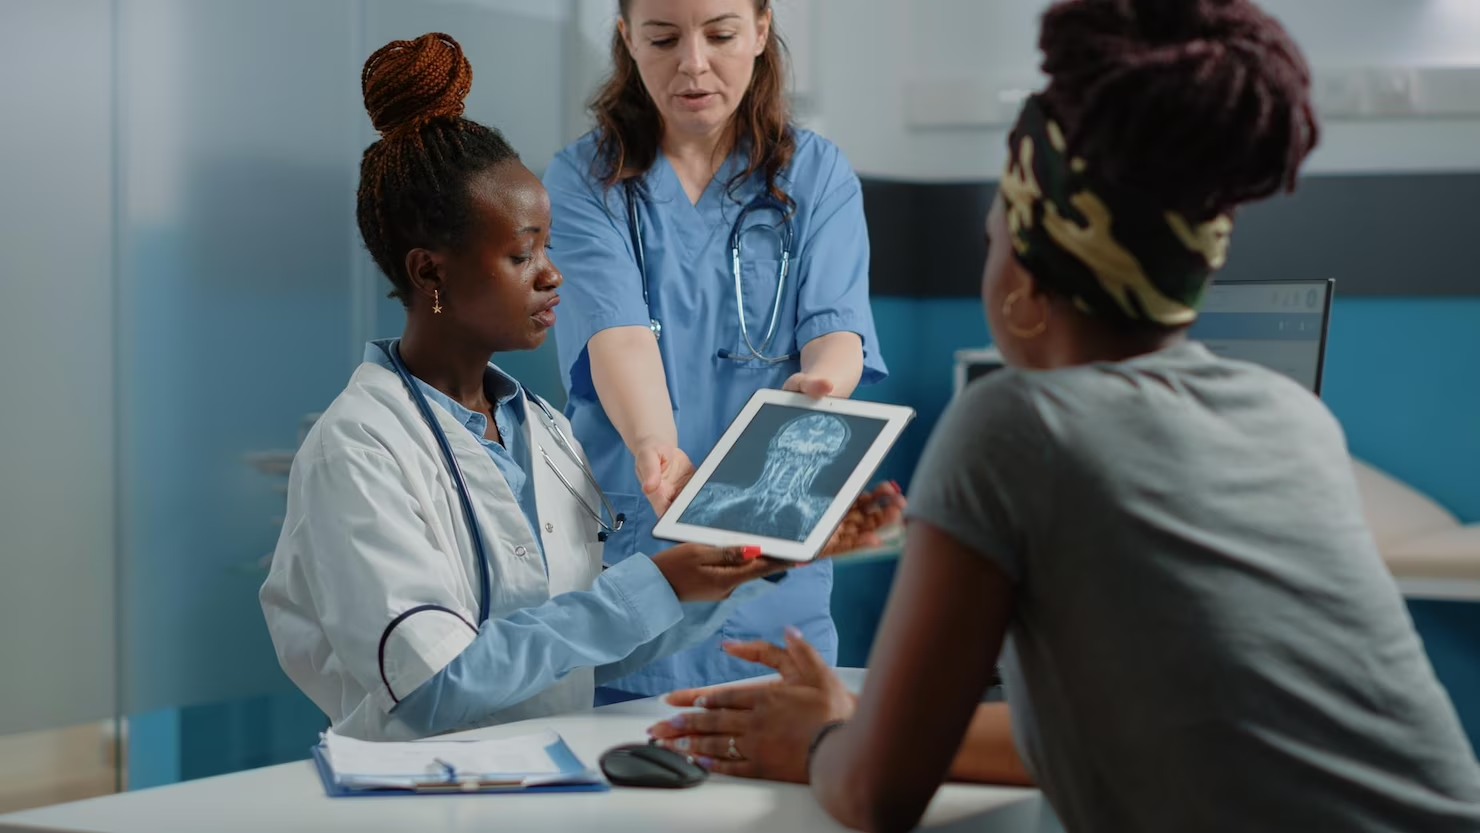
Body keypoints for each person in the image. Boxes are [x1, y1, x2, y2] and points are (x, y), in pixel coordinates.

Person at [646, 1, 1480, 830]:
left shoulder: (1016, 423)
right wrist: (861, 724)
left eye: (991, 237)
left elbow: (874, 793)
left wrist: (827, 734)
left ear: (1025, 286)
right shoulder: (1293, 419)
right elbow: (1134, 732)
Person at [259, 32, 802, 742]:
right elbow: (433, 685)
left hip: (549, 785)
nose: (553, 275)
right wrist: (657, 583)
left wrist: (724, 569)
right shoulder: (358, 448)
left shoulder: (540, 430)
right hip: (420, 798)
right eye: (523, 253)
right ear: (429, 273)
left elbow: (587, 648)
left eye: (549, 246)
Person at [542, 0, 897, 703]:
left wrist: (821, 386)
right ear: (627, 39)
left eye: (722, 34)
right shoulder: (584, 179)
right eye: (664, 38)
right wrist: (654, 444)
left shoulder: (817, 175)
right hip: (633, 560)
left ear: (762, 30)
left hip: (775, 566)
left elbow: (836, 328)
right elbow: (616, 332)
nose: (693, 64)